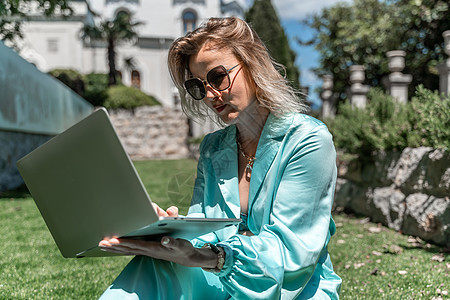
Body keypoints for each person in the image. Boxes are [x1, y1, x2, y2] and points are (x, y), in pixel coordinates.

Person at [98, 17, 342, 299]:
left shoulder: (307, 140)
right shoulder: (213, 147)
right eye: (199, 87)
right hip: (221, 280)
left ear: (253, 64)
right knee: (154, 265)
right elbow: (206, 228)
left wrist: (213, 258)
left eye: (217, 76)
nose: (211, 95)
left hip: (294, 290)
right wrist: (168, 233)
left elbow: (292, 252)